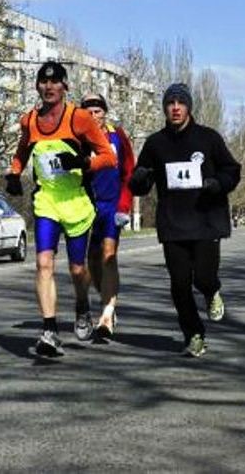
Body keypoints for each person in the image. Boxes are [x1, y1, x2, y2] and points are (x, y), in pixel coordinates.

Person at [6, 61, 117, 358]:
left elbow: (109, 157)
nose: (49, 87)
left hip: (76, 203)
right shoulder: (29, 120)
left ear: (65, 86)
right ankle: (50, 330)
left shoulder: (79, 119)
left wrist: (83, 163)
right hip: (47, 202)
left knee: (77, 268)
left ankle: (82, 305)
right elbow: (23, 150)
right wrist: (15, 174)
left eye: (55, 82)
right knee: (44, 263)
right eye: (43, 82)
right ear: (37, 86)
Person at [128, 83, 241, 358]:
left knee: (203, 277)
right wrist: (140, 178)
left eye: (180, 103)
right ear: (165, 108)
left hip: (205, 220)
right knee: (179, 285)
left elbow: (232, 170)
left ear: (189, 107)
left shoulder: (208, 138)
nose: (175, 108)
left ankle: (212, 291)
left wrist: (217, 183)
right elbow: (139, 183)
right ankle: (193, 334)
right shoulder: (156, 143)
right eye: (170, 103)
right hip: (173, 223)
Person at [80, 92, 135, 340]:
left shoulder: (117, 135)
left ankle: (107, 313)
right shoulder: (77, 138)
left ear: (105, 112)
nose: (93, 116)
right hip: (87, 205)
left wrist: (125, 205)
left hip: (112, 204)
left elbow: (129, 171)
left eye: (97, 112)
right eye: (88, 112)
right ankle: (107, 298)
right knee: (92, 261)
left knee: (108, 256)